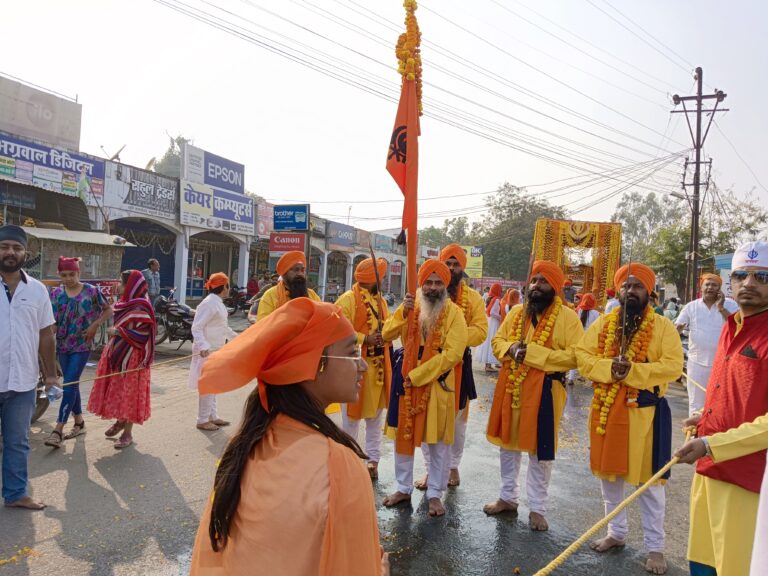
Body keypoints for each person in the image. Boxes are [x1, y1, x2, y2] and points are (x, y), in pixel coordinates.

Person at [188, 298, 388, 575]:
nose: (362, 365)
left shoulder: (245, 446)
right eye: (353, 352)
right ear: (313, 363)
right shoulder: (338, 466)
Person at [575, 263, 682, 575]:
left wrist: (634, 372)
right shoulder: (605, 323)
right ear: (618, 291)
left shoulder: (663, 327)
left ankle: (656, 548)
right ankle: (616, 533)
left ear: (649, 292)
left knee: (649, 485)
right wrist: (610, 368)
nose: (630, 291)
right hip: (608, 411)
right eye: (625, 286)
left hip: (646, 415)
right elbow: (583, 357)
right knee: (611, 478)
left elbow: (674, 366)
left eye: (637, 286)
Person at [674, 241, 768, 576]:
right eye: (741, 275)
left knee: (737, 567)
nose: (749, 283)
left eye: (761, 277)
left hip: (747, 480)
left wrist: (712, 443)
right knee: (702, 562)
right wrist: (707, 415)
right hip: (708, 468)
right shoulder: (731, 327)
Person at [484, 261, 582, 531]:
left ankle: (537, 508)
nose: (536, 285)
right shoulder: (516, 312)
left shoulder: (568, 317)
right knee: (509, 444)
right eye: (534, 280)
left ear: (554, 287)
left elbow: (576, 356)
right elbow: (497, 342)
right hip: (513, 386)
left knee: (541, 452)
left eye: (543, 281)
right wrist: (512, 348)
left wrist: (536, 357)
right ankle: (507, 497)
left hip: (547, 391)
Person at [382, 259, 468, 517]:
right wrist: (401, 313)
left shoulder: (455, 313)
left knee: (438, 441)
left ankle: (434, 494)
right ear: (421, 284)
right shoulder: (410, 307)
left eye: (438, 282)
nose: (432, 287)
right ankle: (402, 487)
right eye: (428, 283)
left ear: (446, 284)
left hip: (437, 381)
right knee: (403, 436)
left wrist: (420, 374)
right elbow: (387, 334)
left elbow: (453, 354)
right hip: (405, 379)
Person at [414, 244, 488, 491]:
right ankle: (430, 470)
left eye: (456, 265)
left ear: (462, 268)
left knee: (456, 422)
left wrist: (452, 338)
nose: (452, 268)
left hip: (458, 365)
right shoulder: (422, 294)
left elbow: (480, 331)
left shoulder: (474, 299)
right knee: (426, 418)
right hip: (426, 363)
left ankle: (452, 465)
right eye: (448, 263)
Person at [0, 225, 58, 510]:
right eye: (4, 246)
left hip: (23, 382)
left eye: (16, 247)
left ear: (26, 254)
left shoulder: (36, 291)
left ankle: (16, 494)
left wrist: (50, 375)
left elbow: (46, 333)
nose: (10, 252)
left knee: (18, 442)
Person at [45, 256, 112, 449]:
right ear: (59, 274)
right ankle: (80, 422)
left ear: (78, 273)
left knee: (69, 383)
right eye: (64, 275)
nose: (68, 278)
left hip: (82, 345)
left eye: (72, 274)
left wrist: (95, 325)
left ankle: (58, 429)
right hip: (62, 346)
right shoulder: (56, 293)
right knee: (71, 385)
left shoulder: (91, 291)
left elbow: (108, 310)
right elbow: (53, 322)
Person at [336, 257, 394, 480]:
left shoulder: (381, 301)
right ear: (374, 278)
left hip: (378, 369)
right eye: (382, 275)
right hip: (354, 368)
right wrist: (365, 338)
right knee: (351, 420)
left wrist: (385, 335)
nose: (385, 278)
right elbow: (339, 331)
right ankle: (348, 461)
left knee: (375, 419)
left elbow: (387, 327)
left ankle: (372, 462)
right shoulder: (348, 299)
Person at [87, 270, 156, 450]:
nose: (118, 285)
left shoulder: (141, 306)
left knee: (130, 393)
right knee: (118, 390)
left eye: (121, 282)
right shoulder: (124, 303)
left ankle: (127, 433)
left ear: (130, 286)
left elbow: (144, 334)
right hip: (117, 353)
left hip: (133, 356)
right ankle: (120, 421)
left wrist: (118, 332)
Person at [675, 273, 738, 416]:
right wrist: (676, 331)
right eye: (707, 284)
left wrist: (721, 308)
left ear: (719, 288)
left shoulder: (731, 305)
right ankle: (694, 434)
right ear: (701, 287)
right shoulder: (691, 307)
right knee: (696, 403)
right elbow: (677, 327)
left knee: (720, 402)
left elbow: (738, 326)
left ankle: (712, 437)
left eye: (714, 285)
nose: (710, 288)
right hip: (696, 363)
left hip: (723, 363)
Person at [189, 272, 238, 432]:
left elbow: (223, 327)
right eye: (228, 285)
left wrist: (238, 338)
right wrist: (203, 346)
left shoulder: (217, 303)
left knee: (213, 383)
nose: (229, 289)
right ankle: (202, 419)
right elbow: (196, 327)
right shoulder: (209, 303)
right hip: (207, 351)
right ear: (224, 287)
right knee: (208, 384)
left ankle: (212, 416)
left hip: (216, 350)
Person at [256, 252, 320, 321]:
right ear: (284, 273)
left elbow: (321, 317)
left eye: (302, 270)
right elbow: (263, 325)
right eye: (296, 270)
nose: (300, 274)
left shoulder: (312, 295)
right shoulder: (270, 295)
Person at [566, 293, 600, 386]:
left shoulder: (577, 311)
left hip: (578, 337)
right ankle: (592, 380)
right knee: (590, 358)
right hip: (590, 339)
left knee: (575, 357)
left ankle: (571, 378)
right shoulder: (596, 314)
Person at [476, 283, 503, 371]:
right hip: (494, 322)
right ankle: (488, 365)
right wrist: (501, 317)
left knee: (488, 342)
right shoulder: (497, 299)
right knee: (492, 341)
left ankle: (488, 365)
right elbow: (492, 312)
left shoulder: (490, 298)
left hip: (490, 321)